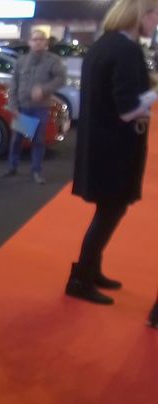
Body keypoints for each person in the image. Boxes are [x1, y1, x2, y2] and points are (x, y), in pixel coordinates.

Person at [66, 0, 158, 305]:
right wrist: (154, 95)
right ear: (140, 14)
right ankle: (81, 278)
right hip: (116, 148)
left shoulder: (102, 45)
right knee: (110, 211)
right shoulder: (126, 50)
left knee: (107, 210)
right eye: (154, 15)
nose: (156, 22)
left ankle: (91, 271)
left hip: (100, 144)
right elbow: (127, 109)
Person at [3, 30, 67, 184]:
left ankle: (36, 171)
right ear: (30, 42)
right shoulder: (22, 61)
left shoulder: (53, 61)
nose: (38, 42)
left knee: (38, 140)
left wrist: (44, 90)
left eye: (41, 39)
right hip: (23, 107)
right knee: (17, 140)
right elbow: (14, 85)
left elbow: (61, 79)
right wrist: (13, 106)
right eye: (35, 39)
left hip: (40, 108)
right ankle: (12, 167)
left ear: (46, 42)